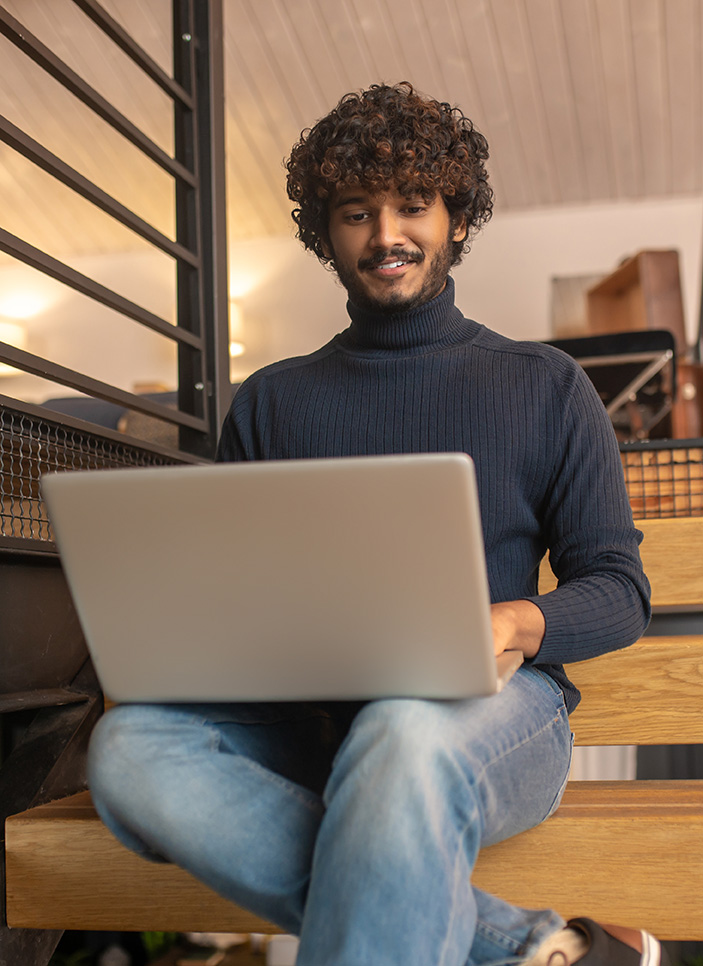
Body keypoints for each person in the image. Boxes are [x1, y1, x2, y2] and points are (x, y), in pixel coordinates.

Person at [88, 83, 664, 966]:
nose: (385, 234)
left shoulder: (545, 385)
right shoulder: (272, 402)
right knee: (130, 747)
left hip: (494, 717)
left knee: (405, 728)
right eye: (357, 213)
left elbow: (619, 592)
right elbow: (240, 594)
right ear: (328, 236)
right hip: (319, 723)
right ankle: (526, 947)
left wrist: (508, 623)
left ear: (456, 219)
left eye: (412, 205)